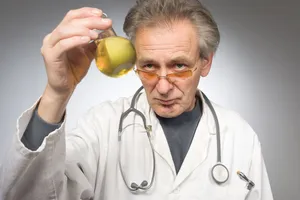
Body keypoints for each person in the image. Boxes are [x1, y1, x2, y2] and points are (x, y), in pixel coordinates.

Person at [0, 0, 273, 199]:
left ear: (205, 62)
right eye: (149, 66)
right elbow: (27, 194)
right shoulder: (102, 126)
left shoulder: (240, 136)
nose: (163, 87)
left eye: (179, 66)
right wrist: (57, 93)